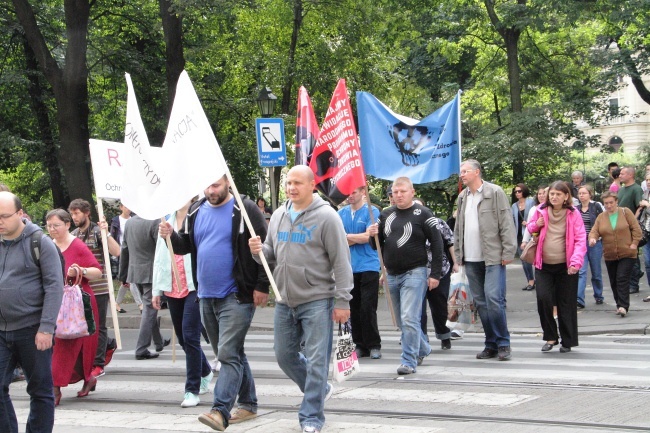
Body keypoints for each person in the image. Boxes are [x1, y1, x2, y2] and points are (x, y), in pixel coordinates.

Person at [249, 166, 352, 433]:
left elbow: (341, 262)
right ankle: (319, 389)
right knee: (284, 355)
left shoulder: (328, 217)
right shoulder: (280, 214)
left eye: (297, 183)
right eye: (288, 183)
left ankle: (311, 417)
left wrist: (343, 301)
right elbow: (272, 253)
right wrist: (258, 250)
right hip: (284, 299)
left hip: (318, 298)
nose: (291, 188)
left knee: (318, 359)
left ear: (311, 186)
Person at [161, 175, 269, 431]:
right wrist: (170, 235)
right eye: (207, 186)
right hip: (206, 295)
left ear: (227, 182)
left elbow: (265, 248)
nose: (211, 190)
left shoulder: (244, 209)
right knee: (233, 352)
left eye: (216, 185)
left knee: (227, 354)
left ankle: (220, 410)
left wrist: (262, 286)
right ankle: (249, 403)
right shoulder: (196, 209)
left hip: (237, 294)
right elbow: (185, 245)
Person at [0, 192, 63, 433]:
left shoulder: (40, 242)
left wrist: (46, 328)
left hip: (33, 330)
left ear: (19, 214)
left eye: (4, 216)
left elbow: (54, 287)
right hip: (2, 329)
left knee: (39, 390)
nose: (0, 221)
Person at [368, 178, 442, 374]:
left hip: (415, 271)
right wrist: (371, 234)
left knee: (409, 318)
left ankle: (408, 360)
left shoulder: (424, 214)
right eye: (395, 192)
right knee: (401, 320)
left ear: (412, 192)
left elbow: (437, 244)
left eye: (402, 191)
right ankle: (423, 348)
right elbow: (375, 245)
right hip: (391, 273)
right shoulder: (385, 215)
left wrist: (435, 273)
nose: (398, 195)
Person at [453, 159, 516, 361]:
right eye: (461, 171)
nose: (462, 174)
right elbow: (458, 228)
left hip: (492, 257)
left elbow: (506, 223)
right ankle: (491, 344)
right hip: (470, 258)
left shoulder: (494, 192)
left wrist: (508, 252)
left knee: (494, 299)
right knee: (480, 303)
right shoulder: (462, 197)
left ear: (477, 172)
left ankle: (503, 342)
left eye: (465, 171)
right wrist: (458, 254)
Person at [153, 201, 212, 408]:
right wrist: (156, 290)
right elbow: (158, 258)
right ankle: (205, 370)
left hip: (193, 286)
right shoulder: (165, 222)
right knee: (183, 339)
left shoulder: (197, 219)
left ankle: (191, 389)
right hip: (171, 287)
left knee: (190, 335)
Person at [46, 209, 103, 404]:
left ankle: (56, 387)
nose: (52, 229)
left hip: (78, 304)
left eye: (56, 225)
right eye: (49, 225)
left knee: (76, 345)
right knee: (59, 345)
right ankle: (83, 379)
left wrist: (81, 270)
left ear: (68, 225)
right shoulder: (47, 246)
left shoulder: (77, 245)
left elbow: (97, 271)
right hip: (55, 304)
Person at [526, 181, 586, 353]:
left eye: (558, 194)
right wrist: (537, 224)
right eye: (551, 194)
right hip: (543, 264)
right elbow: (530, 228)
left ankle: (568, 340)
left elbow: (580, 240)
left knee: (566, 303)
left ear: (566, 196)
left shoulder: (573, 214)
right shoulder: (541, 210)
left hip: (566, 266)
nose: (554, 197)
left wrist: (575, 262)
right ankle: (551, 337)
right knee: (543, 299)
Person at [68, 199, 120, 378]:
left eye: (77, 213)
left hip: (98, 287)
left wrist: (106, 234)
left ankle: (98, 363)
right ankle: (103, 348)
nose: (74, 217)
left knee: (98, 326)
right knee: (82, 326)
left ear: (87, 213)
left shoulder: (98, 232)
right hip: (79, 289)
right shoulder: (73, 235)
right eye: (72, 214)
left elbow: (116, 251)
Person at [338, 187, 382, 360]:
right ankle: (359, 344)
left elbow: (369, 237)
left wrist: (349, 237)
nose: (350, 195)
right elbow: (338, 239)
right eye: (348, 192)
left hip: (369, 265)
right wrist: (359, 236)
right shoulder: (341, 213)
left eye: (353, 192)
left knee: (368, 307)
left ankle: (374, 344)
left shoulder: (372, 211)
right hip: (349, 266)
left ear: (362, 192)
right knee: (353, 307)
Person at [119, 215, 169, 360]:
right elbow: (161, 248)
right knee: (149, 309)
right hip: (151, 271)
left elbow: (125, 249)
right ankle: (141, 348)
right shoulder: (155, 221)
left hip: (135, 272)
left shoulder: (129, 222)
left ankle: (158, 342)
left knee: (148, 308)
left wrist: (123, 275)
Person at [412, 198, 458, 351]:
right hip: (416, 271)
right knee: (418, 309)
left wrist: (456, 263)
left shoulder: (438, 223)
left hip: (439, 270)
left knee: (439, 305)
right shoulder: (407, 224)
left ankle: (444, 335)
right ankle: (422, 339)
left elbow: (450, 242)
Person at [589, 191, 643, 317]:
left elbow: (636, 229)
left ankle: (624, 306)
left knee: (621, 278)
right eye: (606, 203)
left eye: (611, 203)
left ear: (616, 202)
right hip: (610, 254)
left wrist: (634, 244)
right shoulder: (601, 217)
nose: (609, 205)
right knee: (613, 281)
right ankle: (619, 305)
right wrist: (592, 239)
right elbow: (594, 231)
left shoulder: (625, 212)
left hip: (627, 253)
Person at [110, 202, 143, 314]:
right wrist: (114, 253)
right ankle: (140, 304)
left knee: (126, 282)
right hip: (122, 252)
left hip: (134, 252)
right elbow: (113, 237)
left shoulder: (134, 219)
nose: (128, 209)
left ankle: (116, 303)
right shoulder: (116, 221)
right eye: (126, 206)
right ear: (121, 207)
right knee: (130, 279)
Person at [616, 167, 645, 294]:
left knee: (632, 253)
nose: (619, 175)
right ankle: (632, 278)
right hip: (620, 226)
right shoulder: (621, 189)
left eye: (622, 173)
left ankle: (634, 283)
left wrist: (633, 222)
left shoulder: (636, 189)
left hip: (631, 226)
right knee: (625, 254)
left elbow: (640, 207)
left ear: (630, 175)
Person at [576, 185, 605, 307]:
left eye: (584, 193)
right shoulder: (575, 209)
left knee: (596, 272)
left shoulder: (596, 206)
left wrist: (598, 237)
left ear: (590, 194)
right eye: (580, 193)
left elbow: (603, 221)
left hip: (594, 243)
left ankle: (598, 295)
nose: (581, 195)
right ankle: (579, 299)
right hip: (581, 243)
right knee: (581, 271)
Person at [512, 183, 536, 291]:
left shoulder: (531, 202)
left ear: (524, 191)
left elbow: (536, 215)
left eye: (519, 191)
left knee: (528, 259)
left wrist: (529, 223)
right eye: (516, 191)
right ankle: (530, 280)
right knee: (523, 259)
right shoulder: (514, 206)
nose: (517, 193)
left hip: (530, 234)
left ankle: (532, 281)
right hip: (518, 235)